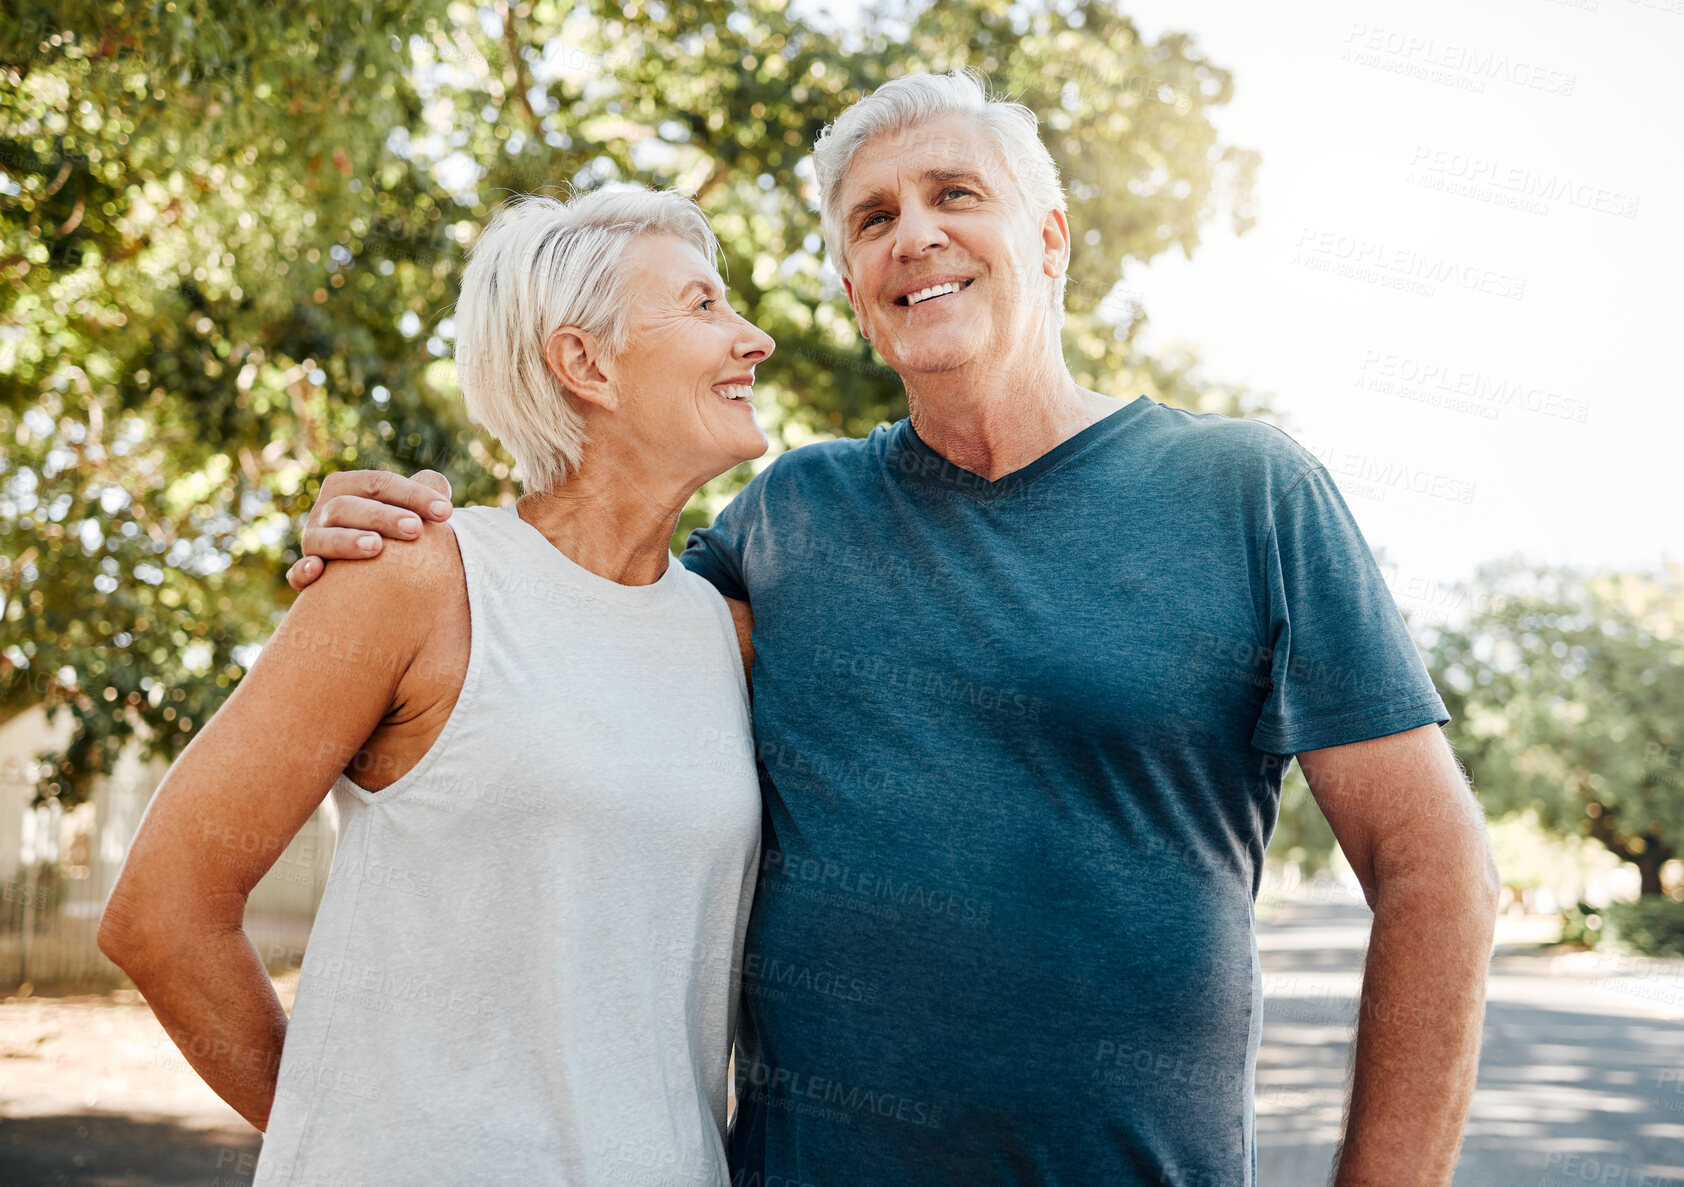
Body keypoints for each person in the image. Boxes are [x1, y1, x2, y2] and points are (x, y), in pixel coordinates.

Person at [289, 71, 1500, 1186]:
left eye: (953, 194)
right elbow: (562, 621)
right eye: (870, 221)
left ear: (1048, 237)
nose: (911, 233)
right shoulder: (787, 518)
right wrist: (411, 539)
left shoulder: (1248, 492)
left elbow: (1435, 865)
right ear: (860, 295)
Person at [97, 186, 776, 1185]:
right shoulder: (415, 578)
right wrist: (359, 1138)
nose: (752, 337)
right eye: (702, 304)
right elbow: (164, 910)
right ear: (582, 360)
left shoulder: (731, 634)